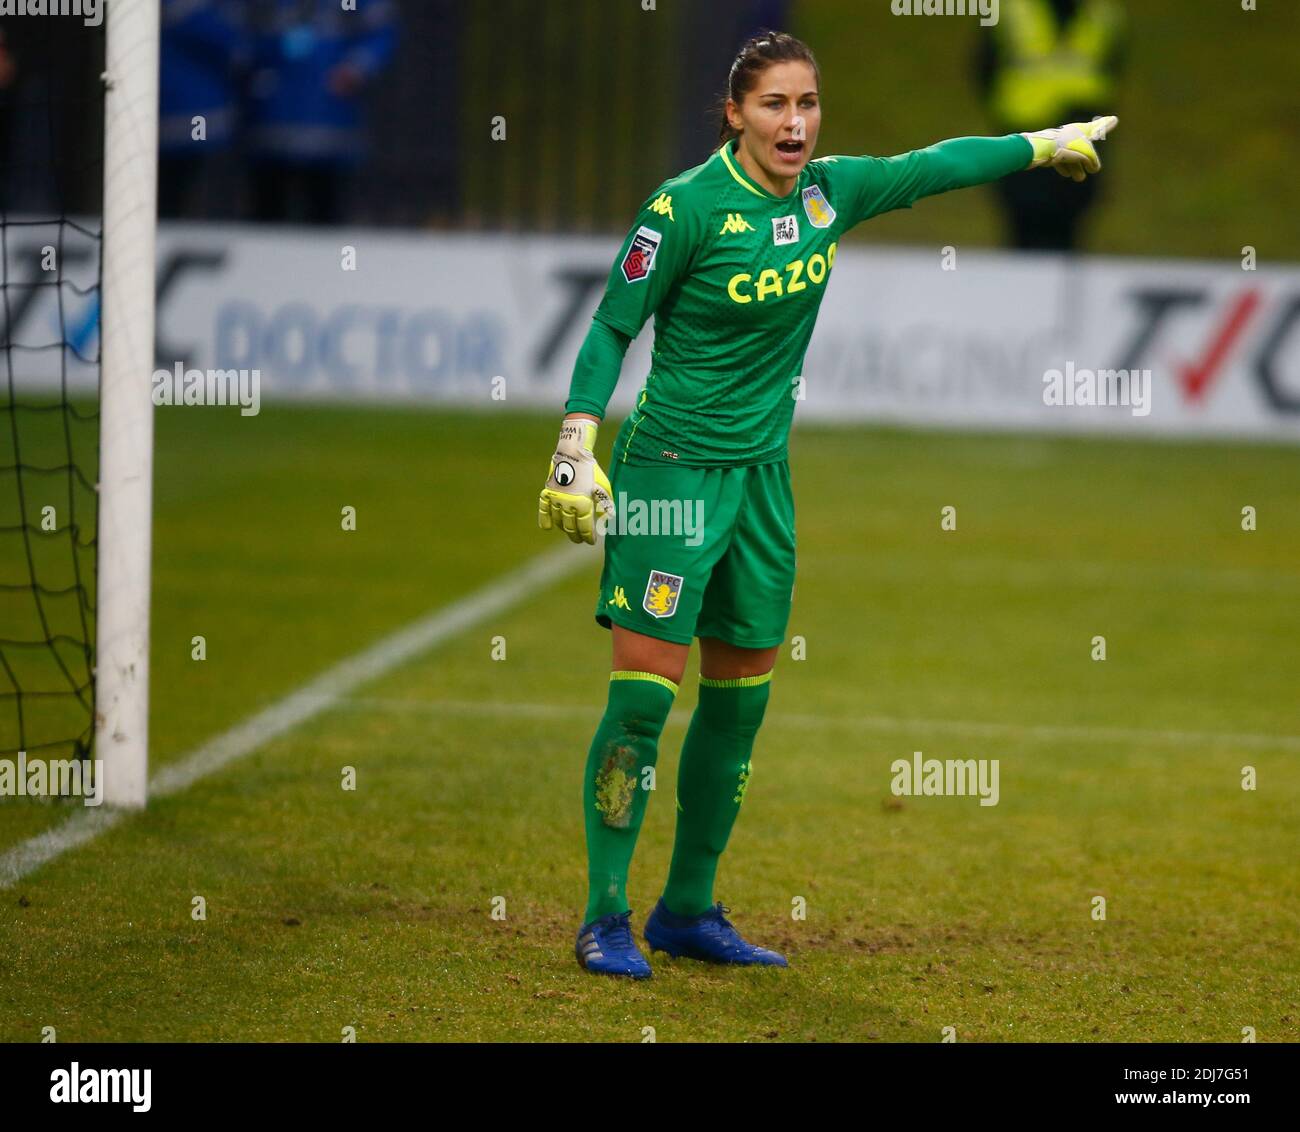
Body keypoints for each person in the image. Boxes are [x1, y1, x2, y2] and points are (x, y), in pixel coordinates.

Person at [538, 31, 1117, 978]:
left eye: (807, 104)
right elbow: (611, 326)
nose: (795, 123)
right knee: (644, 703)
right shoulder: (681, 208)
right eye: (774, 104)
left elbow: (931, 166)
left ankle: (688, 909)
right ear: (734, 112)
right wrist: (574, 441)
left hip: (763, 480)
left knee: (738, 707)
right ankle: (604, 916)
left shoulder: (829, 193)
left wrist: (1041, 141)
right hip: (671, 478)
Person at [976, 0, 1125, 250]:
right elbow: (984, 66)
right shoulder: (1014, 9)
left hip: (1071, 139)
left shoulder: (1104, 14)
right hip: (1028, 137)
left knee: (1064, 231)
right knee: (1028, 229)